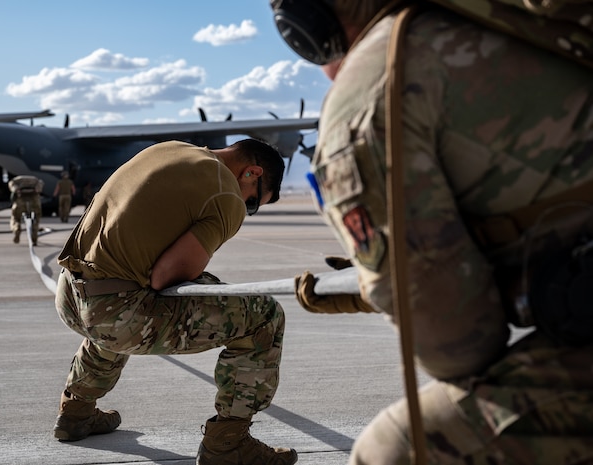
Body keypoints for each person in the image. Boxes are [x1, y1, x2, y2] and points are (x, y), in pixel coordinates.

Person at [270, 0, 593, 463]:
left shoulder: (378, 82)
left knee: (394, 450)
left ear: (305, 26)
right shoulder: (517, 16)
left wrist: (393, 280)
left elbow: (458, 348)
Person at [52, 139, 298, 465]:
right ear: (252, 172)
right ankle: (229, 444)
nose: (246, 209)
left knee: (124, 298)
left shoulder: (171, 149)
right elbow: (166, 277)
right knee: (265, 315)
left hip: (72, 296)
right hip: (115, 313)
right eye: (253, 202)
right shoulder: (226, 194)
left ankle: (76, 412)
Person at [8, 175, 44, 245]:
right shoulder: (35, 180)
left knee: (15, 217)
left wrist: (16, 190)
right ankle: (34, 238)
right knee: (36, 219)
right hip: (34, 202)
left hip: (21, 201)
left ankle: (16, 229)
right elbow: (39, 188)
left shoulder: (16, 180)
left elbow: (12, 187)